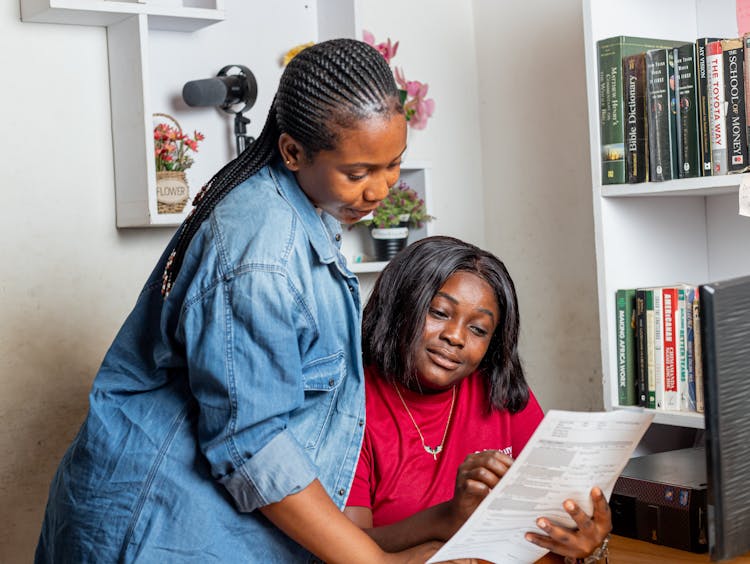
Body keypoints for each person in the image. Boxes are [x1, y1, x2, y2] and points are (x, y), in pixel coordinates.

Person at [35, 39, 443, 563]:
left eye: (393, 165)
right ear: (294, 151)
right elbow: (252, 445)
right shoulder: (262, 255)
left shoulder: (304, 209)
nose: (381, 188)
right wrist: (374, 562)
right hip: (157, 527)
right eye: (358, 173)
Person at [345, 236, 612, 562]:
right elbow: (345, 545)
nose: (455, 337)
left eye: (478, 329)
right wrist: (447, 519)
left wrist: (585, 542)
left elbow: (549, 524)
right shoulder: (351, 406)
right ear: (400, 306)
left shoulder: (502, 393)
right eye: (440, 312)